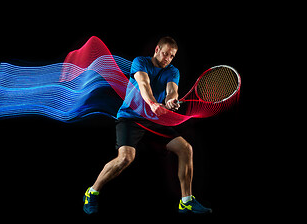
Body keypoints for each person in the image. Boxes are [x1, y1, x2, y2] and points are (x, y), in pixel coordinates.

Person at [83, 37, 212, 215]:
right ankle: (92, 192)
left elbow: (171, 91)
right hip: (131, 117)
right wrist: (152, 103)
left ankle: (186, 201)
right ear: (157, 49)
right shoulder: (140, 62)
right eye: (165, 54)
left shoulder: (173, 71)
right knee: (126, 158)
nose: (167, 58)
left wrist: (171, 100)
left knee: (185, 149)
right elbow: (144, 84)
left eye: (171, 56)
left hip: (153, 120)